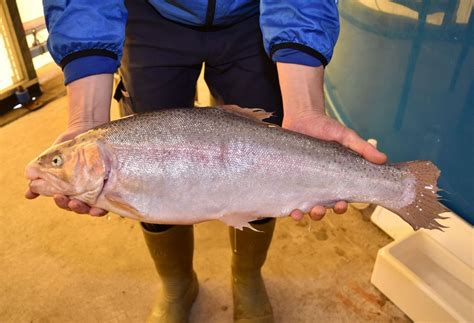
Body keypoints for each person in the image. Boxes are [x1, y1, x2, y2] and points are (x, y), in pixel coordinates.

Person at [26, 1, 387, 322]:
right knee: (146, 186)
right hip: (149, 16)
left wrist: (305, 107)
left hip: (255, 17)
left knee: (260, 164)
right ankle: (177, 285)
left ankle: (247, 276)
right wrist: (85, 118)